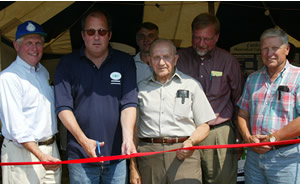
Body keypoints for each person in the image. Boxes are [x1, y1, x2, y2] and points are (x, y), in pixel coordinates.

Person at [54, 9, 138, 183]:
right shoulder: (67, 64)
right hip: (80, 156)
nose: (97, 37)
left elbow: (129, 103)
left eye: (102, 31)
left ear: (109, 35)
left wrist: (128, 139)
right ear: (83, 35)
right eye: (91, 32)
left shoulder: (125, 62)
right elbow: (63, 108)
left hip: (117, 156)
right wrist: (83, 141)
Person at [130, 39, 216, 184]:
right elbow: (133, 131)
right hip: (149, 156)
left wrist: (191, 142)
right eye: (156, 58)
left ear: (175, 59)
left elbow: (204, 125)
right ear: (149, 61)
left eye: (166, 57)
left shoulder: (191, 85)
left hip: (184, 155)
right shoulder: (140, 89)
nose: (161, 62)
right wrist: (133, 168)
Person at [176, 13, 244, 184]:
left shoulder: (228, 61)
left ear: (217, 36)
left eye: (207, 39)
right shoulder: (179, 58)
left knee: (221, 180)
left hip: (219, 132)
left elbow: (239, 100)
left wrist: (238, 137)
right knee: (187, 180)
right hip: (186, 132)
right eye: (197, 38)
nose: (201, 43)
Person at [0, 20, 61, 183]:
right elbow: (17, 128)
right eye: (28, 43)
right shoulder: (8, 78)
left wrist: (47, 153)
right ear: (16, 46)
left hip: (50, 149)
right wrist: (41, 156)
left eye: (38, 43)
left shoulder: (43, 72)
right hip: (23, 154)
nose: (34, 48)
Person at [237, 28, 300, 184]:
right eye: (265, 48)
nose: (269, 53)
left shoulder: (298, 77)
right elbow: (242, 114)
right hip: (253, 159)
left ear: (287, 49)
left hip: (286, 160)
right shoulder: (253, 78)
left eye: (275, 48)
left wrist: (273, 139)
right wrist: (248, 138)